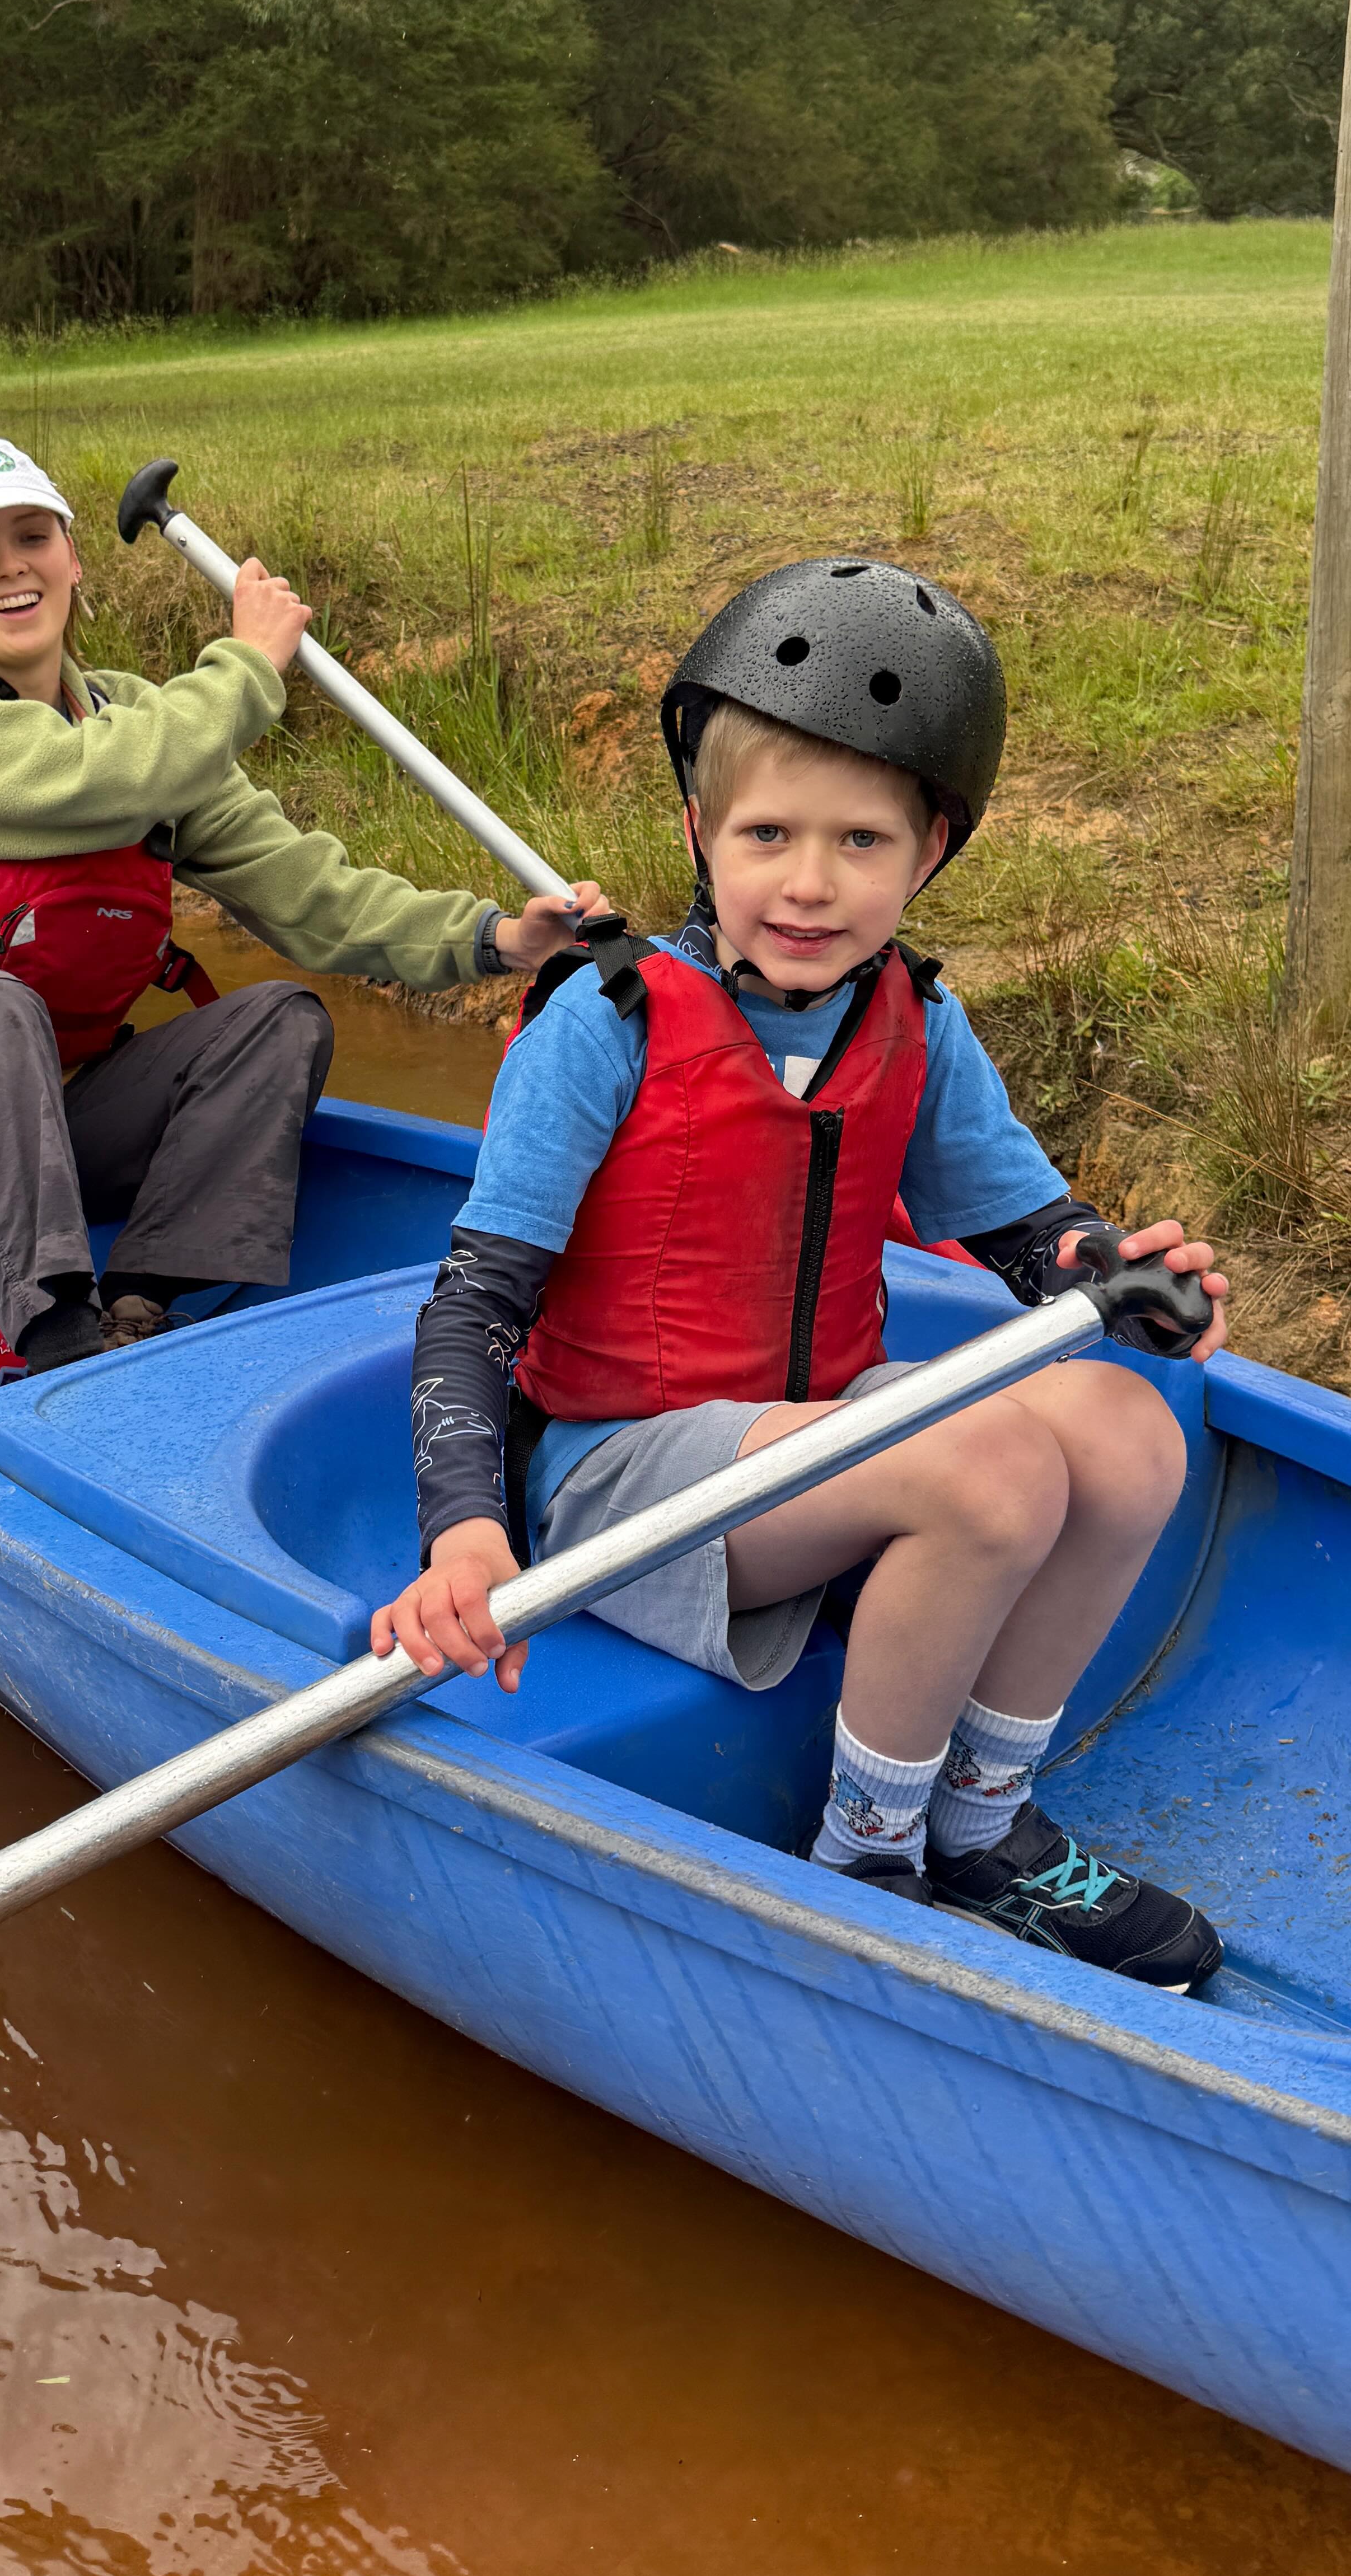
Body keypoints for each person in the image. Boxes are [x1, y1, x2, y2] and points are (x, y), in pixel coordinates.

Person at [372, 558, 1230, 1990]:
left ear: (929, 854)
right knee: (994, 1472)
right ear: (701, 833)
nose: (811, 884)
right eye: (769, 832)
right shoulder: (611, 1021)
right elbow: (475, 1304)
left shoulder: (913, 1016)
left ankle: (983, 1824)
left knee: (1134, 1433)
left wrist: (1110, 1269)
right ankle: (873, 1859)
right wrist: (463, 1533)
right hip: (620, 1470)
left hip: (817, 1429)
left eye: (863, 842)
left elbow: (1027, 1234)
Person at [0, 433, 602, 1379]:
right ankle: (59, 1350)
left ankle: (140, 1306)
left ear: (73, 559)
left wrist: (494, 937)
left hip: (40, 1146)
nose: (8, 566)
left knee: (278, 1019)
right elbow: (88, 780)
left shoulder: (144, 725)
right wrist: (247, 666)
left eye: (32, 536)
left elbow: (312, 894)